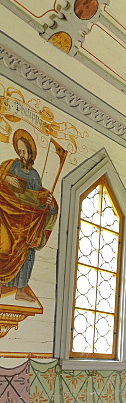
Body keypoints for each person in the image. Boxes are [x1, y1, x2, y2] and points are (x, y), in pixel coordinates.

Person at [0, 129, 58, 301]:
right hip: (6, 216)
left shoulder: (34, 176)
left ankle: (21, 288)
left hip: (25, 221)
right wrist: (8, 181)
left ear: (31, 153)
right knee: (3, 245)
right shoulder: (11, 166)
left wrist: (47, 202)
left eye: (24, 151)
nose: (21, 154)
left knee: (29, 248)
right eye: (19, 151)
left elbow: (36, 197)